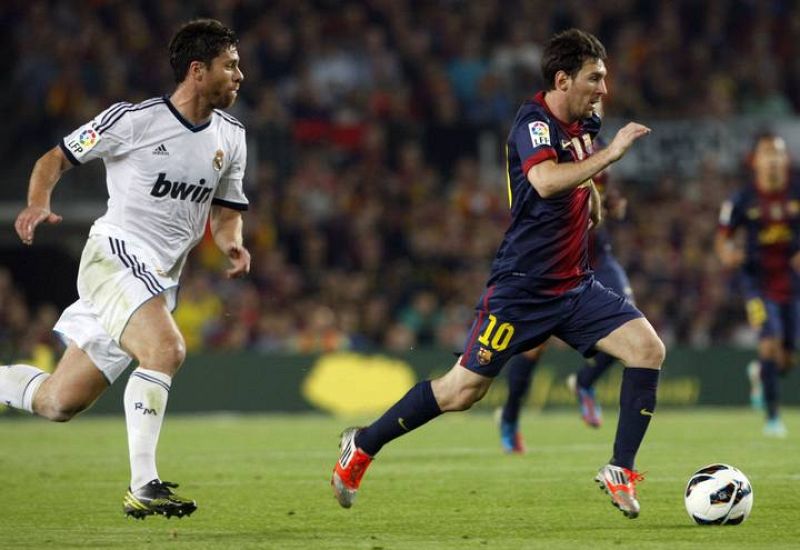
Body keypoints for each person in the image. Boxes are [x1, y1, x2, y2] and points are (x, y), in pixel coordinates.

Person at [331, 28, 664, 519]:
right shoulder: (532, 122)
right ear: (562, 78)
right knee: (462, 390)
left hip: (574, 285)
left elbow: (578, 169)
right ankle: (362, 444)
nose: (603, 90)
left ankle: (620, 468)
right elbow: (546, 180)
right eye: (595, 78)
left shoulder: (586, 121)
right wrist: (609, 155)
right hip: (522, 290)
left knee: (647, 349)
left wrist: (592, 197)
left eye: (605, 78)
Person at [1, 19, 250, 519]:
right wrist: (36, 203)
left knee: (58, 402)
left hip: (155, 281)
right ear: (198, 71)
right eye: (231, 64)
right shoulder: (134, 121)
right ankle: (144, 484)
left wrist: (232, 245)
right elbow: (56, 158)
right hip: (113, 256)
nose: (240, 75)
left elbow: (226, 213)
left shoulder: (232, 137)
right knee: (167, 348)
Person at [500, 160, 635, 454]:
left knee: (631, 327)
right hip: (556, 262)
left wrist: (613, 204)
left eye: (597, 109)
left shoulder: (599, 153)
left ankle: (584, 382)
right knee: (533, 346)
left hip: (597, 258)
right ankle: (510, 417)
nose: (592, 111)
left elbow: (608, 200)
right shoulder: (547, 147)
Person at [715, 132, 800, 438]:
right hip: (757, 283)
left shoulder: (796, 192)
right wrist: (728, 255)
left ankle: (761, 374)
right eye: (767, 153)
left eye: (778, 153)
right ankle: (773, 418)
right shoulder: (742, 199)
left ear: (785, 160)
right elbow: (722, 238)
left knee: (787, 358)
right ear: (756, 162)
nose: (774, 159)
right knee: (769, 343)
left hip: (792, 284)